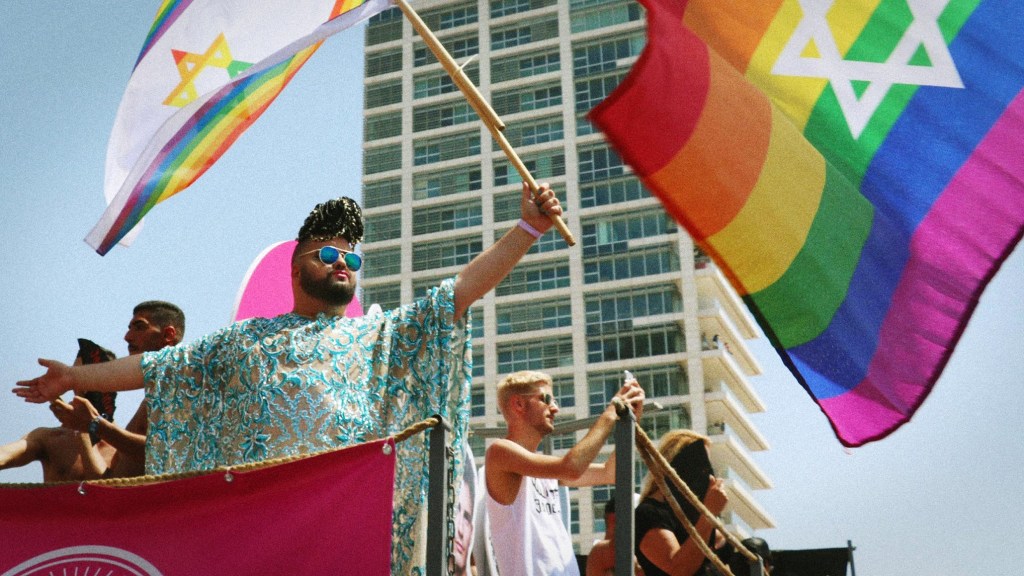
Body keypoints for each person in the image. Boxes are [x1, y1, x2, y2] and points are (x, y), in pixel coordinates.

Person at [14, 184, 563, 575]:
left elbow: (459, 294)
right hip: (257, 530)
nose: (343, 262)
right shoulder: (244, 340)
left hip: (344, 528)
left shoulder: (380, 335)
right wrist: (75, 376)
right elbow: (156, 368)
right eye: (329, 253)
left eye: (353, 256)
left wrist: (527, 229)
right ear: (297, 265)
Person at [484, 370, 644, 576]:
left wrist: (631, 422)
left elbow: (610, 472)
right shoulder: (500, 452)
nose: (555, 408)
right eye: (546, 399)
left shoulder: (544, 469)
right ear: (519, 404)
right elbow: (571, 468)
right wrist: (611, 412)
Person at [49, 300, 185, 478]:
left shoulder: (182, 387)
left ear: (168, 334)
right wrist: (82, 429)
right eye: (130, 328)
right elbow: (109, 479)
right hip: (128, 503)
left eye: (139, 327)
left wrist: (96, 425)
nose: (127, 336)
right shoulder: (153, 398)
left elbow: (166, 454)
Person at [0, 340, 117, 482]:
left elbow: (103, 490)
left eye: (86, 376)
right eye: (76, 377)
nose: (80, 384)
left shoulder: (127, 445)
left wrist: (85, 429)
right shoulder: (51, 438)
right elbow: (4, 456)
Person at [634, 430, 729, 576]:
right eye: (702, 467)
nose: (710, 476)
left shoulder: (687, 516)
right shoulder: (649, 513)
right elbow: (679, 570)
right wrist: (709, 515)